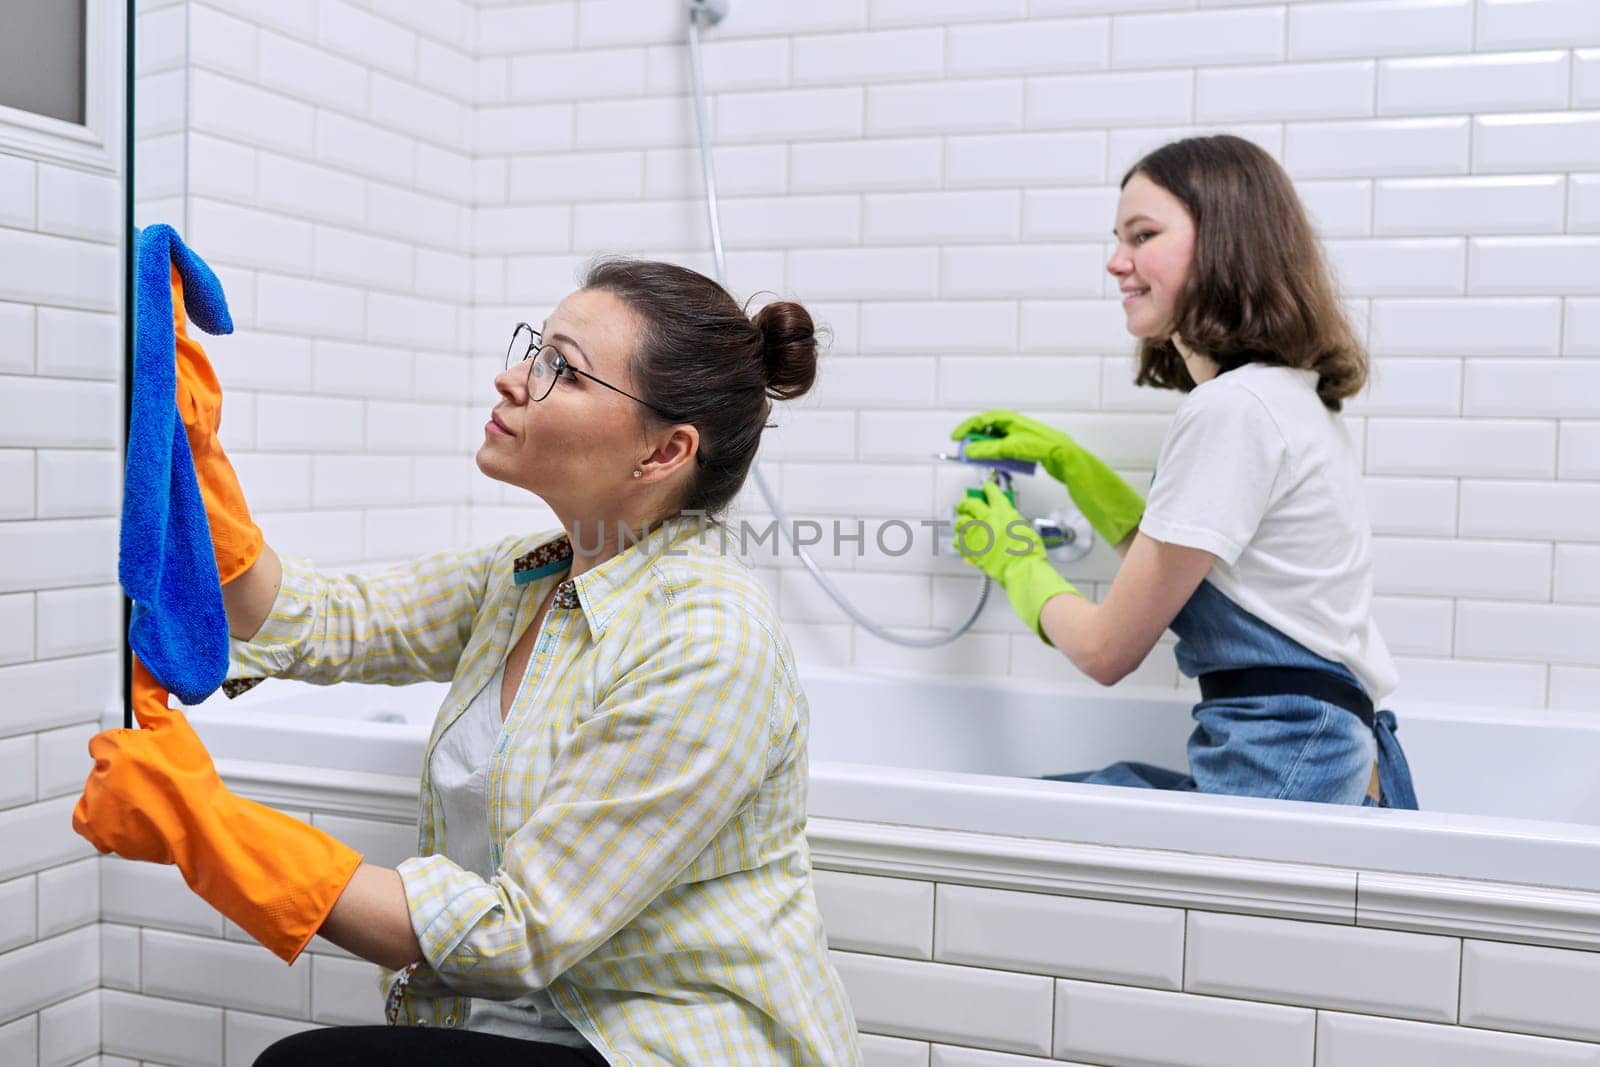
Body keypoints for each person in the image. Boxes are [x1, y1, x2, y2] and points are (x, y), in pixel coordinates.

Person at [75, 257, 864, 1065]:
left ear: (664, 453)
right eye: (535, 348)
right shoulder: (532, 574)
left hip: (663, 1046)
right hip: (531, 1025)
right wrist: (198, 453)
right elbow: (324, 620)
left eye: (564, 369)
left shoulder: (708, 641)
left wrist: (206, 824)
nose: (515, 377)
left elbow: (514, 933)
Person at [950, 134, 1417, 809]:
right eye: (1117, 238)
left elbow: (1110, 650)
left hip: (1291, 764)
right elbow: (1199, 573)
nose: (1116, 262)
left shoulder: (1234, 409)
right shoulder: (1284, 397)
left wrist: (1015, 559)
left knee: (1001, 823)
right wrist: (1073, 468)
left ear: (1226, 242)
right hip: (1325, 758)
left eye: (1142, 235)